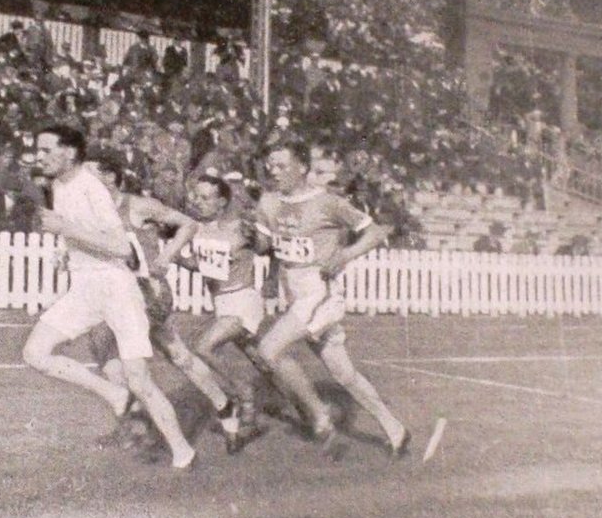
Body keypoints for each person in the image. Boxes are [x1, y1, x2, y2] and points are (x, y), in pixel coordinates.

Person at [21, 126, 196, 470]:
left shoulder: (91, 187)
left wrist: (66, 230)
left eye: (46, 150)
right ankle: (114, 394)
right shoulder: (59, 185)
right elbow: (83, 234)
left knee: (139, 380)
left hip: (116, 289)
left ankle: (183, 453)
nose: (39, 157)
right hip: (84, 287)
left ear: (70, 152)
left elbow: (121, 248)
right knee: (34, 353)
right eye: (37, 150)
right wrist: (67, 250)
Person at [87, 154, 258, 455]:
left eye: (89, 175)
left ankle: (138, 424)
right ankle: (224, 407)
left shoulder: (138, 206)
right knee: (177, 355)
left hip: (147, 292)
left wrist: (166, 256)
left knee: (112, 347)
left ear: (110, 176)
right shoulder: (90, 210)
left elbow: (188, 224)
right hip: (116, 293)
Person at [252, 141, 412, 461]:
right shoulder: (268, 201)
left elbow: (376, 232)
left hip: (319, 293)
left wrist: (346, 254)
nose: (274, 172)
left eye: (282, 166)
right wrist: (252, 234)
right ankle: (395, 428)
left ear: (302, 167)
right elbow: (263, 246)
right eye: (270, 166)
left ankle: (321, 416)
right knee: (343, 373)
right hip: (293, 292)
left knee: (269, 349)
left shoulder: (327, 202)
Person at [180, 174, 273, 452]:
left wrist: (258, 233)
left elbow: (267, 248)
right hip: (221, 303)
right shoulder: (195, 229)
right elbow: (200, 266)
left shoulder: (239, 227)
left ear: (221, 202)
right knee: (264, 361)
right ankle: (302, 409)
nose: (198, 202)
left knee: (202, 346)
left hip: (244, 300)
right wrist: (175, 258)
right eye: (196, 196)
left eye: (205, 198)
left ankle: (244, 393)